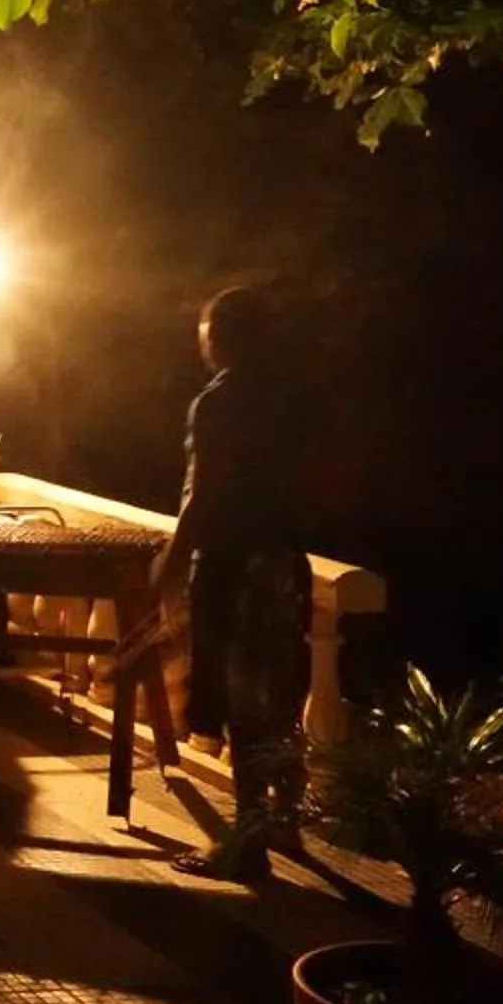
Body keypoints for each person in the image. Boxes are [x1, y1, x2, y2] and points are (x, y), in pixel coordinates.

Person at [151, 286, 312, 883]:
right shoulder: (296, 399)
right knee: (282, 695)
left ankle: (247, 845)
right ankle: (287, 819)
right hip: (283, 560)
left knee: (244, 707)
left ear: (217, 336)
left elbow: (206, 490)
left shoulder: (219, 401)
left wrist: (173, 560)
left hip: (233, 563)